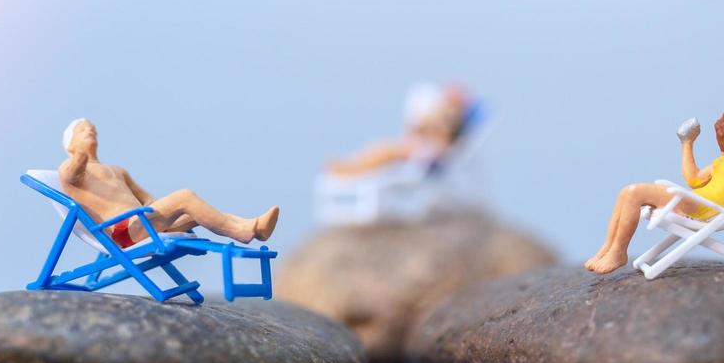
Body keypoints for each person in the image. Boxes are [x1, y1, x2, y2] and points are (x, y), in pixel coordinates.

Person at [584, 108, 724, 275]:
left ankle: (619, 253)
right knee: (626, 192)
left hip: (705, 207)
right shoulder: (723, 160)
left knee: (635, 192)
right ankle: (608, 248)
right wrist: (687, 143)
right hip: (696, 198)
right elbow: (694, 178)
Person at [57, 118, 278, 247]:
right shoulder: (69, 168)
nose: (90, 130)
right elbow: (70, 176)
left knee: (197, 212)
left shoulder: (117, 171)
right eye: (82, 130)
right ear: (70, 144)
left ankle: (255, 226)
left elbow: (150, 200)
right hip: (123, 231)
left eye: (92, 128)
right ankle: (241, 232)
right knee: (185, 197)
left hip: (145, 222)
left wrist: (168, 209)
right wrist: (79, 157)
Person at [325, 83, 471, 177]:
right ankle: (352, 167)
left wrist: (428, 126)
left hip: (426, 156)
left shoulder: (451, 121)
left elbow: (442, 142)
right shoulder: (444, 116)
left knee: (386, 151)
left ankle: (351, 170)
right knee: (382, 147)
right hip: (419, 152)